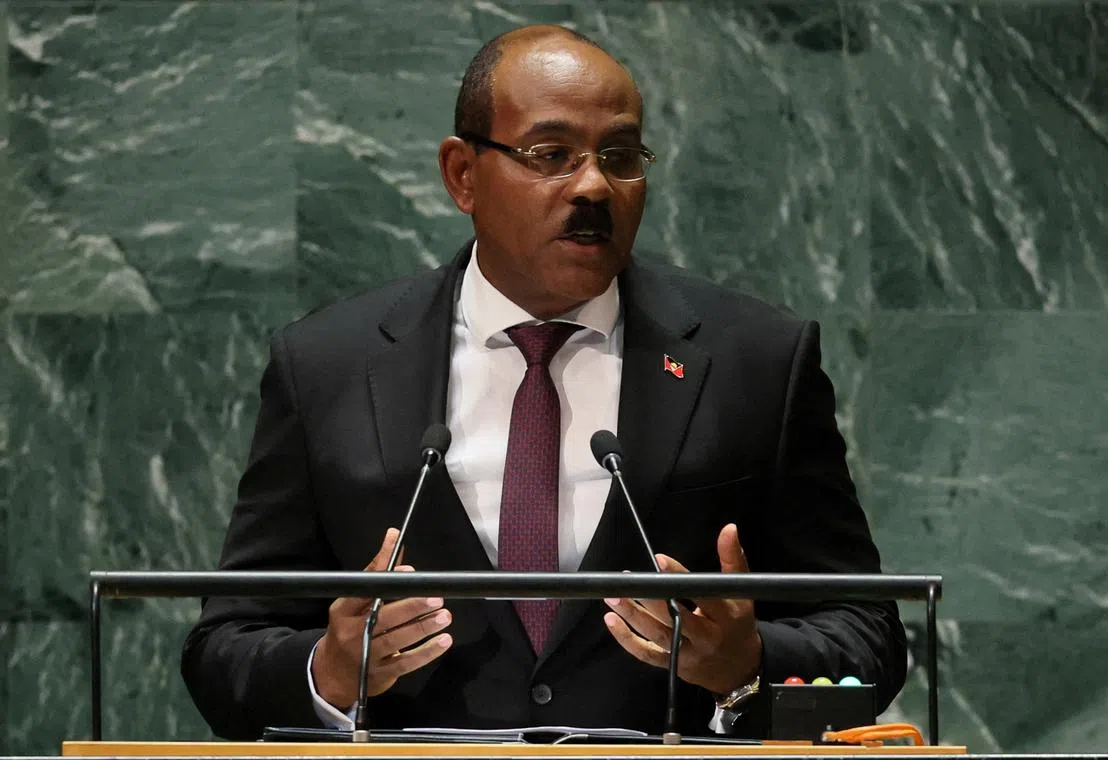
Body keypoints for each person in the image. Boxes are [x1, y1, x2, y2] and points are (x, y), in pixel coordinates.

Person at [181, 24, 906, 741]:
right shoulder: (329, 367)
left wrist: (746, 666)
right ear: (463, 174)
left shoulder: (755, 361)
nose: (593, 185)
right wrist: (328, 672)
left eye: (620, 157)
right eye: (551, 154)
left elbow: (868, 632)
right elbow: (225, 647)